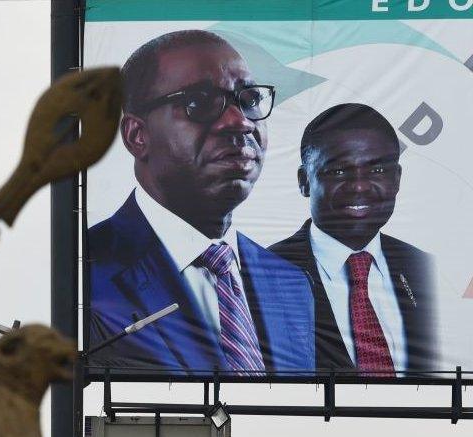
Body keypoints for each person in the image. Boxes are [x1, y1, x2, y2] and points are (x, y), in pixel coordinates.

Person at [88, 30, 314, 376]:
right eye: (200, 101)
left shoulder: (290, 283)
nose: (239, 122)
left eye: (249, 99)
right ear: (137, 135)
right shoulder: (84, 270)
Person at [269, 103, 438, 377]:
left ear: (396, 179)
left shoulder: (427, 271)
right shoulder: (259, 274)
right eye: (338, 172)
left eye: (377, 171)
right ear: (304, 181)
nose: (359, 186)